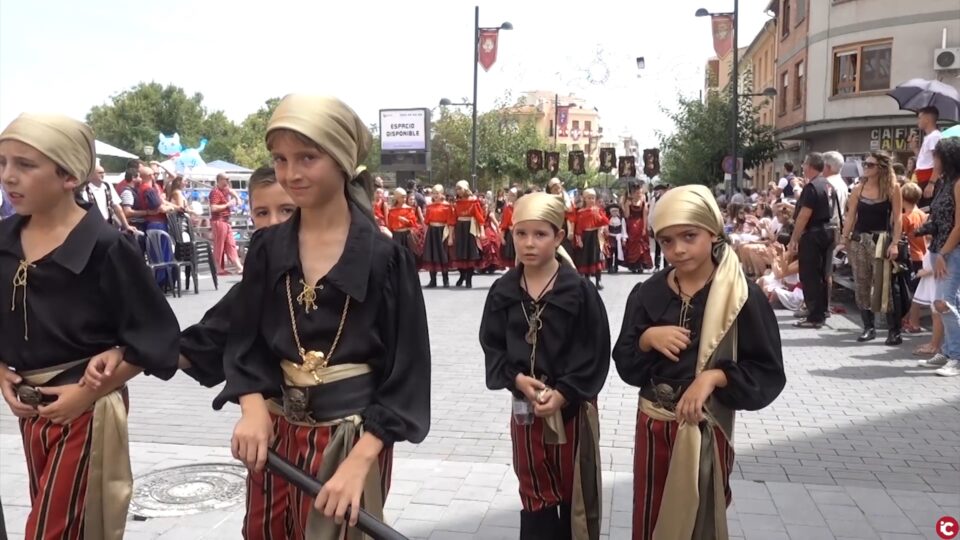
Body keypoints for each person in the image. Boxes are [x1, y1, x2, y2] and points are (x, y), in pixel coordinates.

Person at [216, 95, 431, 538]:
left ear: (342, 161)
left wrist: (361, 460)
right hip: (274, 434)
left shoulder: (385, 258)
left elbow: (407, 372)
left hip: (351, 439)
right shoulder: (267, 248)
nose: (291, 173)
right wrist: (253, 407)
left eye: (307, 157)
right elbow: (244, 341)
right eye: (280, 158)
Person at [0, 113, 179, 539]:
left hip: (88, 412)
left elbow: (156, 336)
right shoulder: (3, 239)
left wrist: (87, 391)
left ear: (69, 175)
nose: (9, 176)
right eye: (3, 162)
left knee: (52, 531)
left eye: (25, 165)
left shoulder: (106, 246)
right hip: (31, 412)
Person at [612, 185, 785, 540]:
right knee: (650, 514)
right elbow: (627, 365)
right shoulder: (648, 293)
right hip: (654, 426)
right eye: (666, 241)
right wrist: (647, 339)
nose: (678, 249)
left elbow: (767, 372)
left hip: (707, 427)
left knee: (700, 520)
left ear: (712, 232)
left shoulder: (740, 296)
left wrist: (714, 378)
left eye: (689, 236)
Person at [480, 192, 610, 540]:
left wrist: (565, 393)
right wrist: (516, 379)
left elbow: (594, 351)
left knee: (572, 490)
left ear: (559, 237)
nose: (529, 243)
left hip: (571, 409)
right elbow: (492, 345)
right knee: (534, 489)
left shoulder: (579, 291)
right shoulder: (503, 291)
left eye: (540, 234)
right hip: (525, 407)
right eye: (521, 234)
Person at [838, 152, 904, 344]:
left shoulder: (893, 188)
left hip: (881, 240)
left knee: (885, 286)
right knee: (861, 284)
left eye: (870, 165)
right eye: (865, 164)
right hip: (860, 240)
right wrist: (844, 239)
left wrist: (895, 243)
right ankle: (868, 327)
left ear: (881, 168)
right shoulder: (859, 188)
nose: (865, 167)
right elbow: (851, 217)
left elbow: (898, 218)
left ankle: (894, 330)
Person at [915, 137, 960, 377]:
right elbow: (941, 218)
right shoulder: (945, 182)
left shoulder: (958, 183)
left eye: (936, 156)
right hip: (940, 249)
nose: (933, 160)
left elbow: (958, 225)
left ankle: (956, 356)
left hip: (951, 252)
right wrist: (923, 228)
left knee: (945, 303)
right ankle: (947, 350)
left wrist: (943, 252)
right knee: (946, 303)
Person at [789, 153, 836, 329]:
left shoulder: (811, 187)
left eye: (804, 164)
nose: (802, 167)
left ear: (809, 166)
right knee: (823, 275)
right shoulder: (827, 185)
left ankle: (814, 316)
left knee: (810, 276)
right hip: (828, 232)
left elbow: (804, 215)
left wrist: (794, 238)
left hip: (813, 234)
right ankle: (821, 311)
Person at [900, 182, 928, 334]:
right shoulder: (923, 215)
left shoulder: (905, 217)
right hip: (923, 256)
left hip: (911, 256)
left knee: (913, 292)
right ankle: (909, 319)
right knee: (918, 290)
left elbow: (900, 237)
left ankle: (910, 320)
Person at [80, 163, 136, 232]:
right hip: (93, 227)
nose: (103, 175)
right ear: (91, 175)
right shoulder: (84, 189)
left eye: (104, 172)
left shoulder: (107, 186)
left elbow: (117, 207)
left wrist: (126, 226)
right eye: (100, 173)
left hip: (109, 223)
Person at [451, 180, 485, 288]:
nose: (458, 191)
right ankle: (462, 275)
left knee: (471, 254)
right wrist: (451, 235)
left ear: (466, 188)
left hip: (470, 229)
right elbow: (452, 219)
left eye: (460, 188)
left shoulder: (474, 202)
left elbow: (480, 218)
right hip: (460, 229)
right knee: (460, 253)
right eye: (457, 189)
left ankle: (469, 279)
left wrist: (482, 232)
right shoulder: (457, 203)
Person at [209, 172, 244, 276]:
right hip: (218, 220)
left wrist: (237, 198)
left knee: (231, 244)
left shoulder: (224, 189)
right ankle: (218, 268)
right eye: (226, 179)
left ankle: (239, 267)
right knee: (219, 245)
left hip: (225, 220)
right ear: (219, 180)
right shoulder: (215, 192)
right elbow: (213, 208)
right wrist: (227, 204)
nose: (228, 181)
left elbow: (231, 191)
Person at [573, 188, 609, 289]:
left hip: (595, 236)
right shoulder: (580, 212)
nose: (591, 200)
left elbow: (605, 221)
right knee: (586, 258)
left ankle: (599, 280)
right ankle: (587, 281)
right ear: (584, 199)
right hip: (585, 237)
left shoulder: (598, 210)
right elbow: (578, 227)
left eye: (593, 198)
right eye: (589, 198)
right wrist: (579, 239)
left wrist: (599, 220)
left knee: (597, 257)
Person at [422, 184, 455, 288]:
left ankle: (446, 280)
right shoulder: (429, 206)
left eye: (438, 193)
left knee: (443, 255)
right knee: (431, 255)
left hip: (442, 232)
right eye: (434, 193)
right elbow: (426, 222)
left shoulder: (447, 206)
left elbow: (451, 223)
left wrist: (450, 237)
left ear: (442, 194)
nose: (436, 195)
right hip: (432, 232)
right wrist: (425, 235)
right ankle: (433, 280)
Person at [912, 107, 942, 207]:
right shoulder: (929, 137)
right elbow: (924, 161)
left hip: (928, 179)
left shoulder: (934, 136)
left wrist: (931, 183)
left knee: (926, 210)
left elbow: (938, 161)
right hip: (922, 178)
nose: (918, 121)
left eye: (920, 118)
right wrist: (915, 148)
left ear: (927, 119)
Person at [623, 183, 653, 273]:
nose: (639, 195)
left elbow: (645, 217)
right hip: (631, 225)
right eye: (637, 193)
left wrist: (644, 228)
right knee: (632, 245)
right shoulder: (628, 202)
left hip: (640, 224)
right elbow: (627, 216)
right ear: (632, 194)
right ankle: (633, 265)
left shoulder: (644, 203)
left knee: (642, 245)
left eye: (640, 193)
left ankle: (641, 265)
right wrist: (626, 206)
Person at [386, 187, 418, 257]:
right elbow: (390, 225)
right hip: (396, 235)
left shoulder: (409, 209)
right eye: (402, 197)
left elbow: (413, 223)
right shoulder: (392, 210)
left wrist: (406, 221)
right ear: (397, 198)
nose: (404, 199)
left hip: (406, 235)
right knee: (398, 254)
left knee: (408, 253)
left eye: (405, 197)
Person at [499, 188, 517, 269]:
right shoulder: (507, 208)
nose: (510, 197)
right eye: (509, 195)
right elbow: (504, 224)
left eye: (513, 195)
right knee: (511, 258)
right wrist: (502, 237)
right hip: (510, 234)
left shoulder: (522, 207)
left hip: (521, 233)